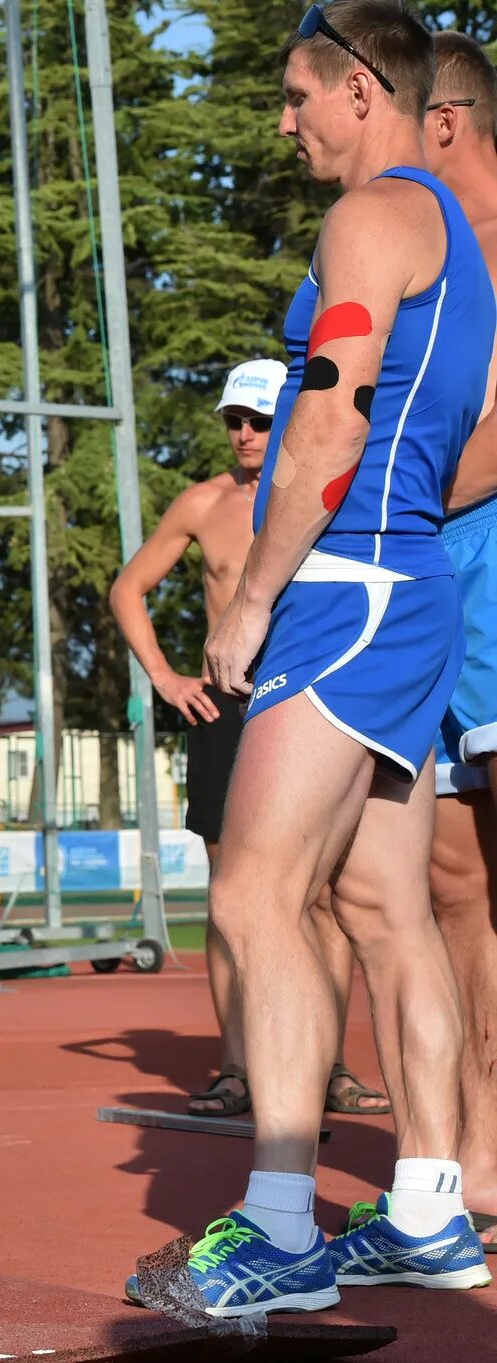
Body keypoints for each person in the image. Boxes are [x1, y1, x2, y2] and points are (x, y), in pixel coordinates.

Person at [127, 3, 493, 1319]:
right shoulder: (454, 244)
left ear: (362, 91)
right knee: (390, 912)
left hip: (347, 587)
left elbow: (330, 417)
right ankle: (429, 1211)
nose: (283, 122)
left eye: (296, 97)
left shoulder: (375, 216)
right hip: (410, 586)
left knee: (250, 890)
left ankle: (281, 1226)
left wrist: (253, 600)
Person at [108, 360, 388, 1122]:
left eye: (260, 420)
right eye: (235, 418)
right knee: (232, 893)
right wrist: (165, 676)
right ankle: (236, 1069)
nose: (245, 433)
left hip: (305, 703)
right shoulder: (203, 503)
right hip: (223, 709)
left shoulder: (333, 495)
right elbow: (127, 588)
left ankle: (326, 1065)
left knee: (323, 894)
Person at [423, 29, 497, 1251]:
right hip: (422, 580)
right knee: (441, 880)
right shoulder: (417, 256)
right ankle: (472, 1145)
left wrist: (394, 505)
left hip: (477, 554)